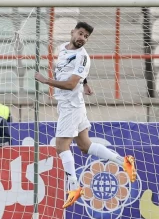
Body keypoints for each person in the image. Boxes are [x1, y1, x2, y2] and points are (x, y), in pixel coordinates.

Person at [34, 21, 136, 209]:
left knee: (61, 146)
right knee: (84, 145)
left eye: (86, 37)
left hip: (71, 106)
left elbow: (72, 84)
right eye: (81, 34)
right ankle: (124, 163)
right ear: (72, 32)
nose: (82, 38)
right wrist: (86, 82)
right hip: (72, 104)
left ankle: (74, 188)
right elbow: (71, 71)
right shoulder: (63, 49)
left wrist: (45, 80)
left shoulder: (83, 57)